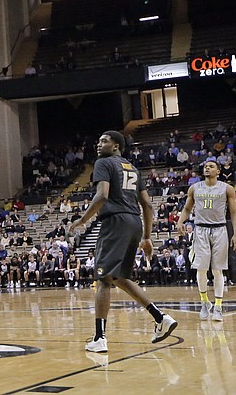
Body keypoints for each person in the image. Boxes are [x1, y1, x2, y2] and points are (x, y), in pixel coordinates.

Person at [70, 131, 177, 354]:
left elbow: (102, 196)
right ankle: (161, 317)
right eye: (98, 140)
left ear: (116, 146)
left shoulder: (104, 163)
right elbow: (147, 205)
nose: (99, 144)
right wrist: (147, 236)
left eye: (104, 141)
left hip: (115, 222)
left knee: (103, 281)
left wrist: (82, 219)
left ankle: (99, 338)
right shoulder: (134, 170)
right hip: (134, 223)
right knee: (118, 278)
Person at [176, 160, 236, 321]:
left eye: (211, 166)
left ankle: (218, 306)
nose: (207, 168)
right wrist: (180, 221)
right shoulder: (194, 188)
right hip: (200, 229)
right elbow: (187, 208)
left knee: (218, 270)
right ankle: (205, 302)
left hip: (220, 229)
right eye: (205, 166)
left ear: (218, 171)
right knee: (201, 269)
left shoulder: (227, 188)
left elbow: (233, 213)